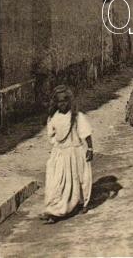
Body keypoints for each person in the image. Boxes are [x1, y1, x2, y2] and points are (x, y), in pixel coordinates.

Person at [41, 85, 94, 223]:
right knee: (57, 182)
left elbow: (86, 133)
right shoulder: (53, 117)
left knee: (80, 179)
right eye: (59, 101)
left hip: (75, 152)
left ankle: (81, 203)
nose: (62, 104)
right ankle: (54, 210)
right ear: (55, 103)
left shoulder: (76, 117)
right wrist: (58, 148)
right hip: (60, 153)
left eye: (64, 101)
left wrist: (90, 149)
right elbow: (51, 136)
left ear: (69, 101)